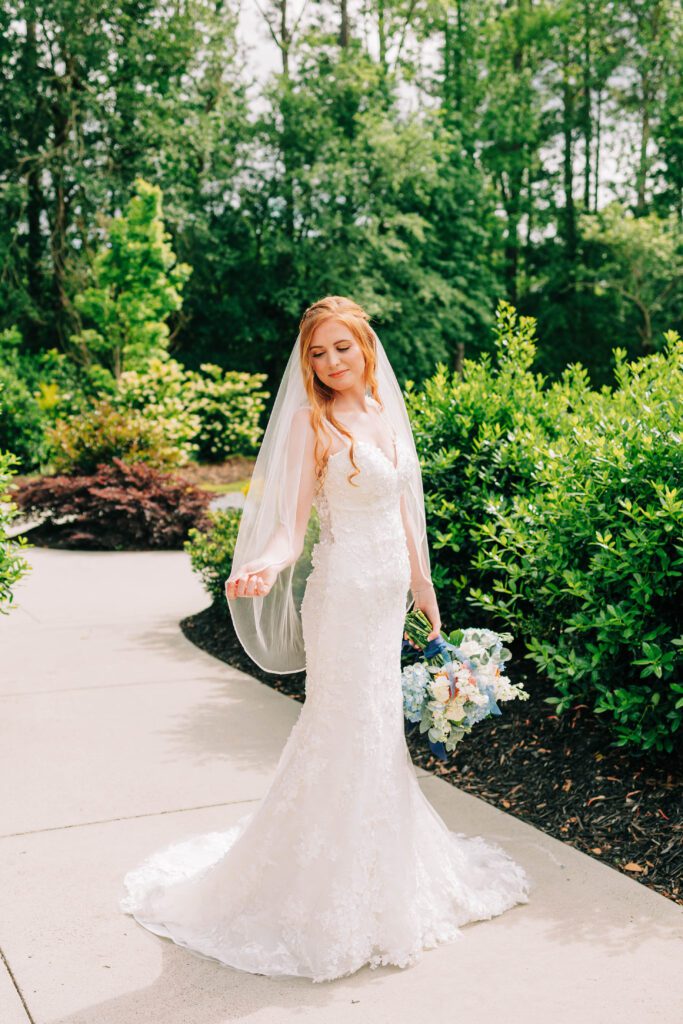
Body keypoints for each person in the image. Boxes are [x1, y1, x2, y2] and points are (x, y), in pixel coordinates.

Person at [119, 295, 531, 983]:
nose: (331, 361)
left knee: (377, 734)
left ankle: (380, 873)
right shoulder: (312, 424)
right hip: (340, 599)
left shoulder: (380, 412)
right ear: (305, 361)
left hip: (384, 598)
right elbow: (290, 525)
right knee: (343, 728)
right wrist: (264, 564)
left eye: (342, 346)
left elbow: (404, 504)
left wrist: (423, 588)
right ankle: (321, 895)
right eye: (318, 351)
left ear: (365, 346)